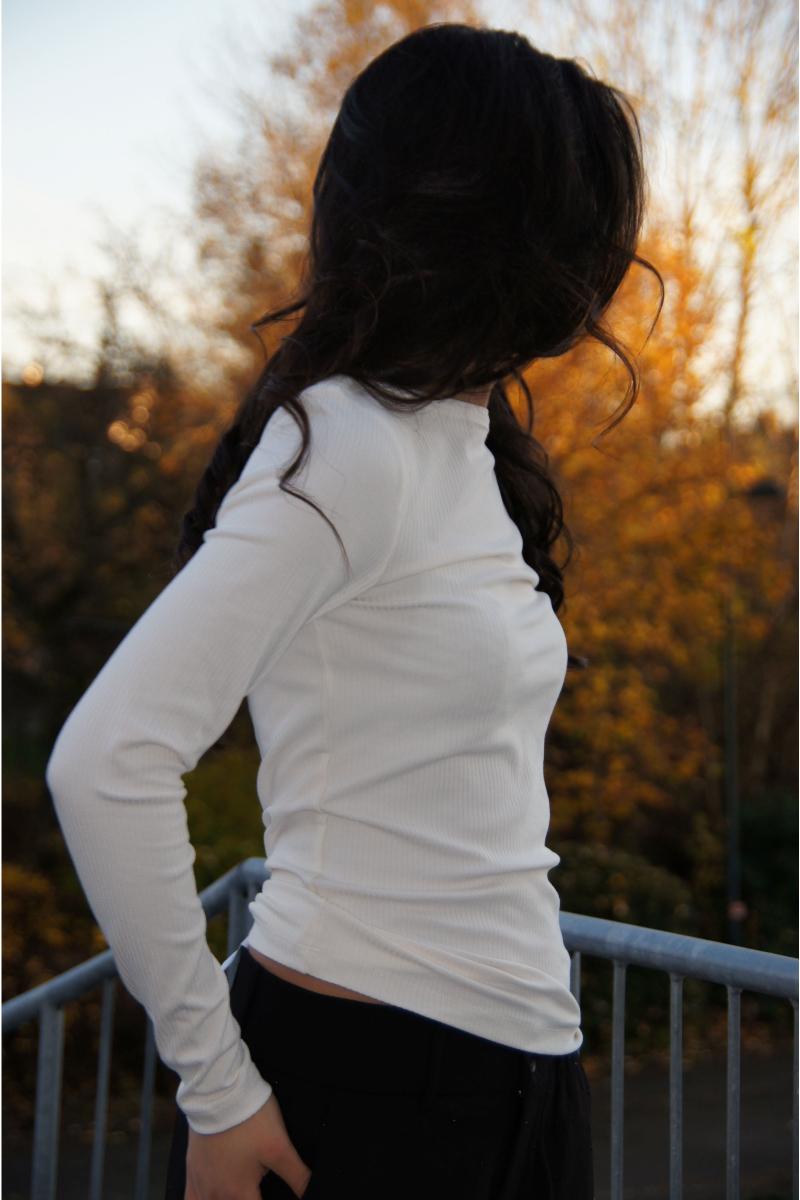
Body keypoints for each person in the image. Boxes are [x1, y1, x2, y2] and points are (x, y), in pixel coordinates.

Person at [45, 20, 663, 1200]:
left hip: (523, 1075)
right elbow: (105, 762)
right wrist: (218, 1090)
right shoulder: (348, 443)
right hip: (366, 1089)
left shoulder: (468, 444)